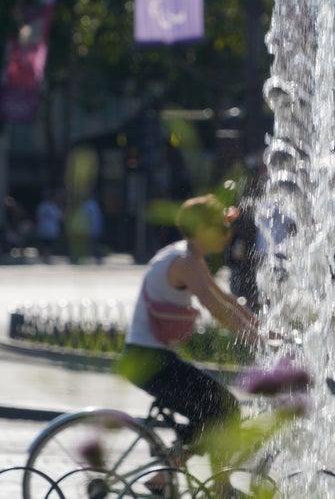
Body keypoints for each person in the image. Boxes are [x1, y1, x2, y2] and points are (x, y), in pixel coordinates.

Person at [116, 194, 261, 495]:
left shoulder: (190, 258)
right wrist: (251, 337)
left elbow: (226, 299)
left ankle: (163, 475)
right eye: (221, 226)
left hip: (152, 359)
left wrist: (263, 328)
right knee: (225, 408)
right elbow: (214, 307)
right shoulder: (182, 262)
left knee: (212, 412)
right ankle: (221, 488)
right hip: (149, 362)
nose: (228, 232)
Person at [35, 190, 62, 263]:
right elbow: (59, 217)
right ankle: (46, 257)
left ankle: (46, 256)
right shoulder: (52, 207)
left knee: (47, 244)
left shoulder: (42, 206)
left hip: (46, 228)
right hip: (49, 228)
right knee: (47, 244)